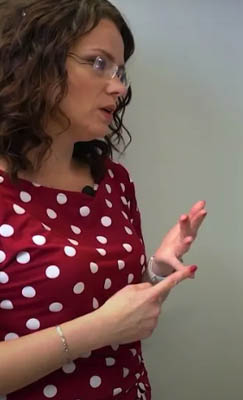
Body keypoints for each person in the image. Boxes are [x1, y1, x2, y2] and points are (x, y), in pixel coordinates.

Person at [0, 0, 207, 398]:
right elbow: (108, 323)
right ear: (34, 62)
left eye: (120, 71)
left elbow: (120, 312)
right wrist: (98, 330)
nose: (119, 87)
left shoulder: (113, 182)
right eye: (99, 63)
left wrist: (156, 272)